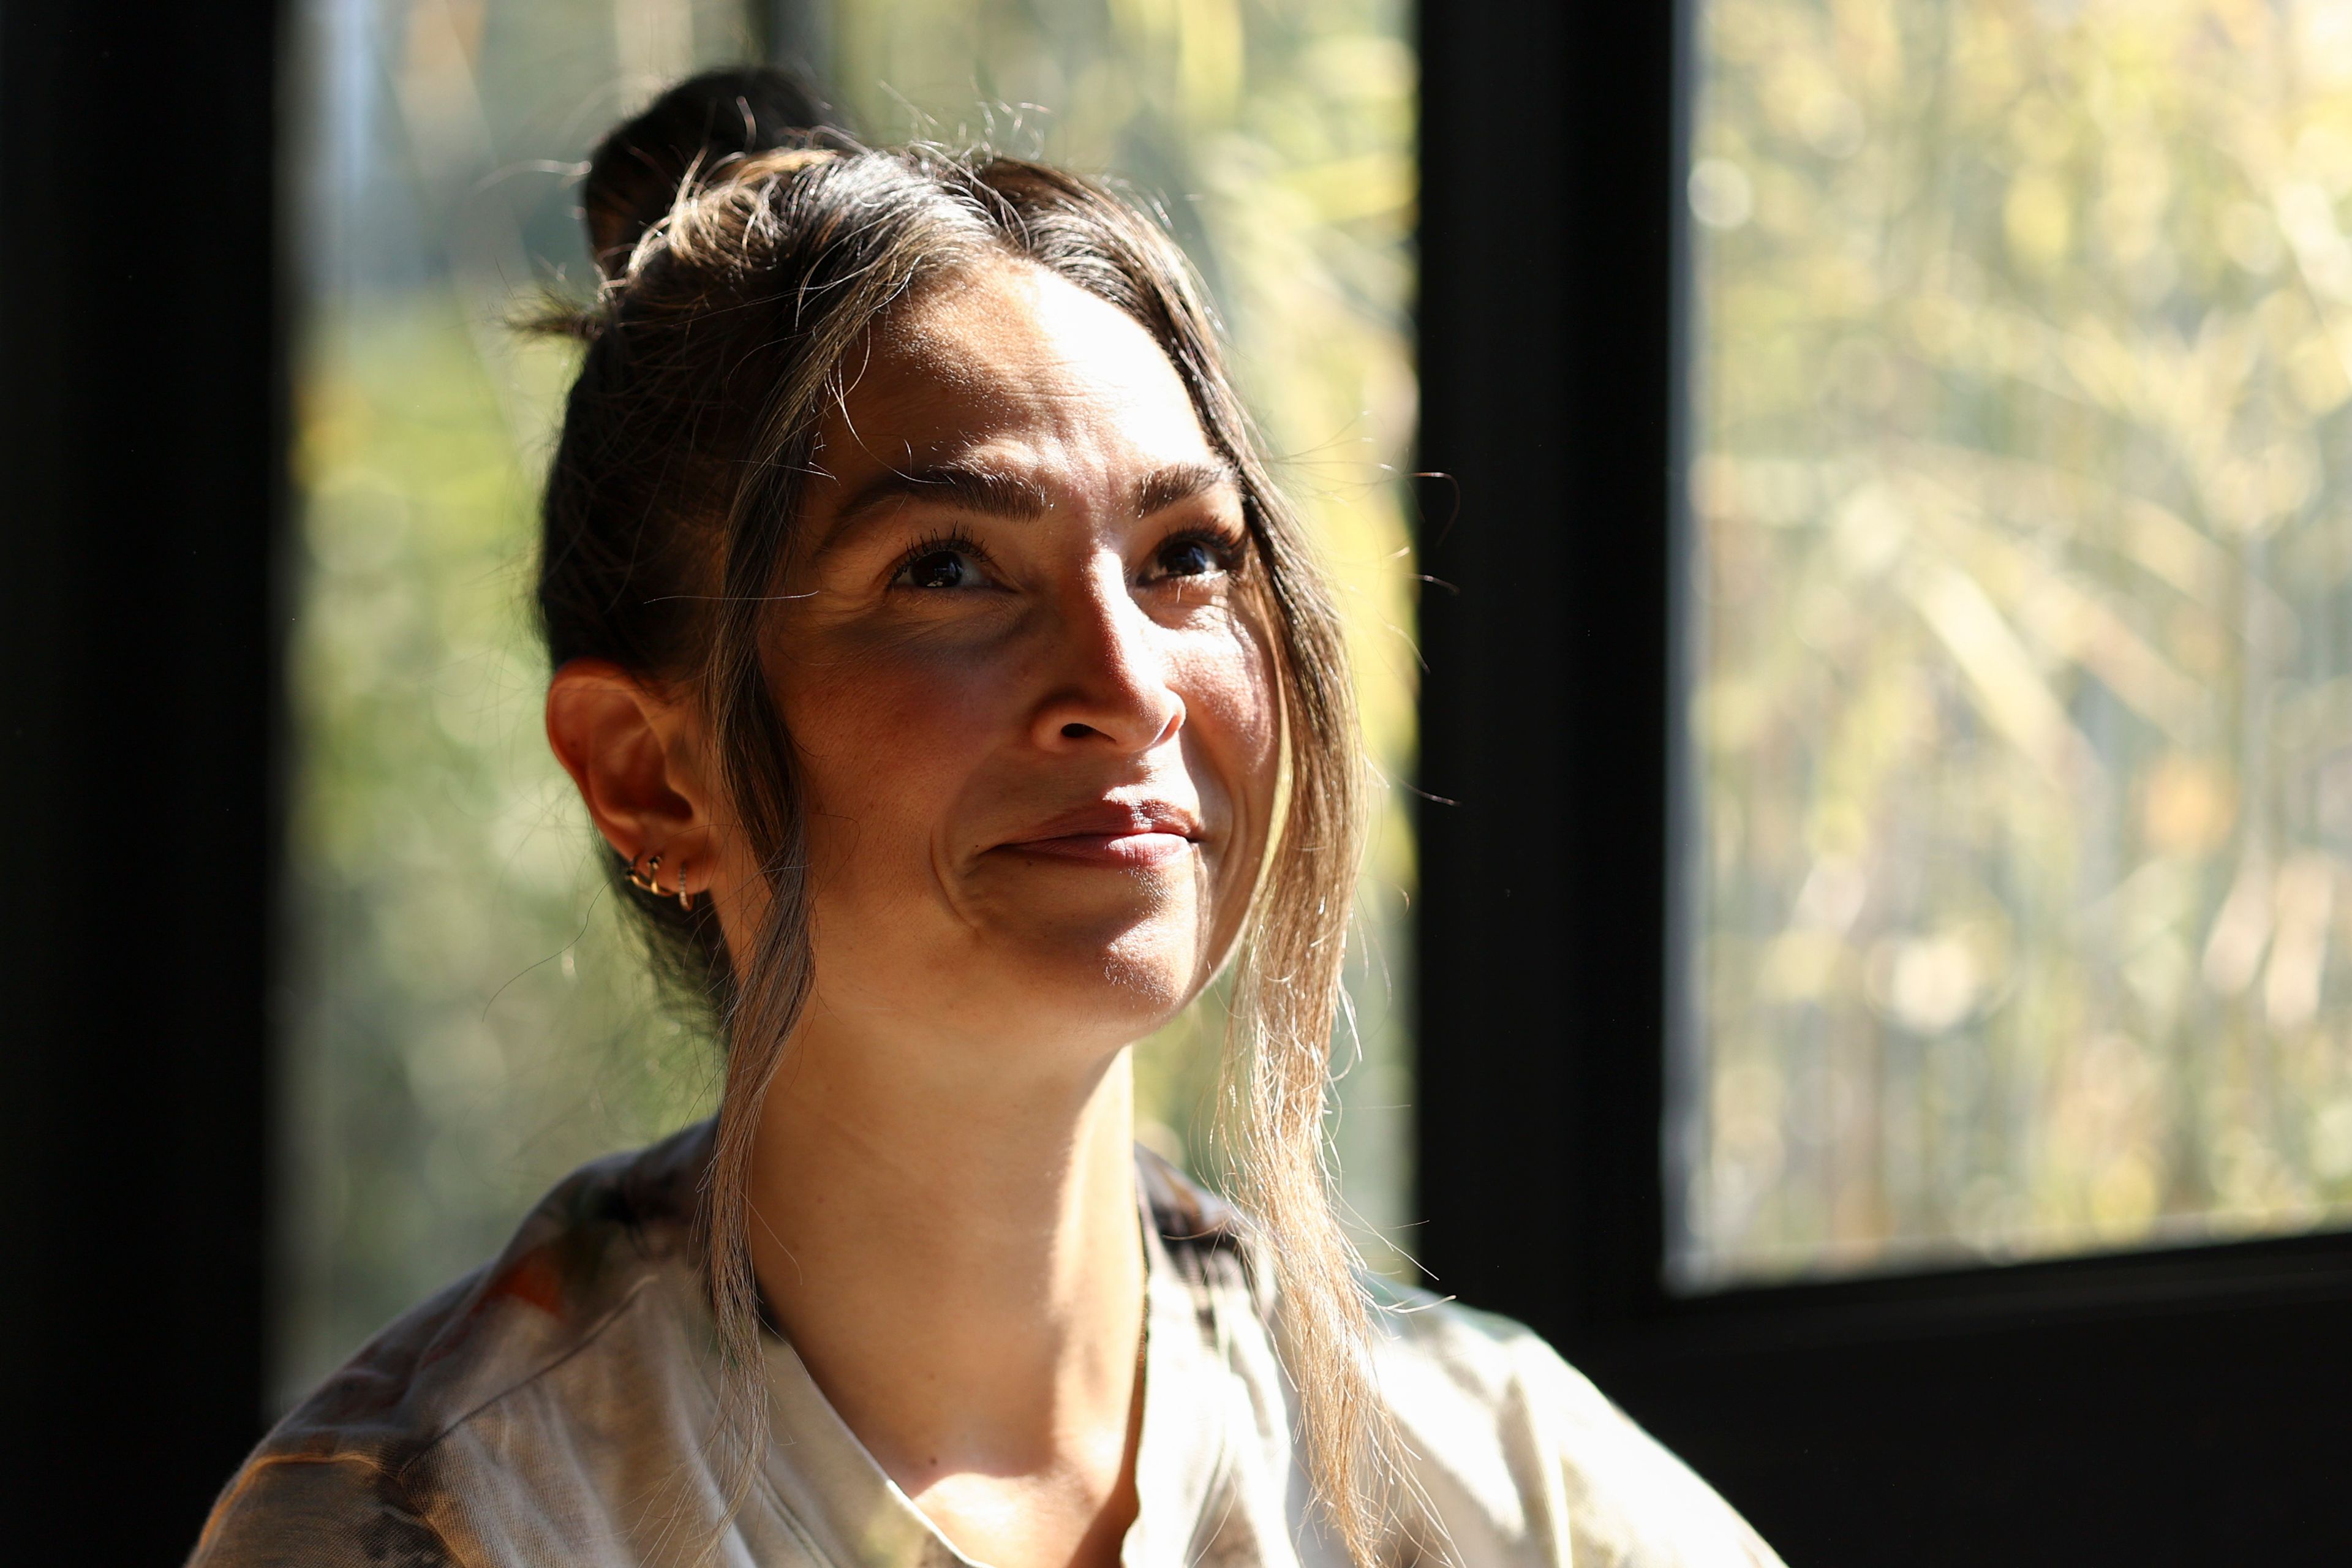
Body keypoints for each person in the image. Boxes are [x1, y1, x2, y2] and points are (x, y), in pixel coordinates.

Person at [189, 67, 1783, 1568]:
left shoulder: (1499, 1483)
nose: (1129, 683)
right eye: (947, 570)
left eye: (1187, 556)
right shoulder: (450, 1525)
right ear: (647, 776)